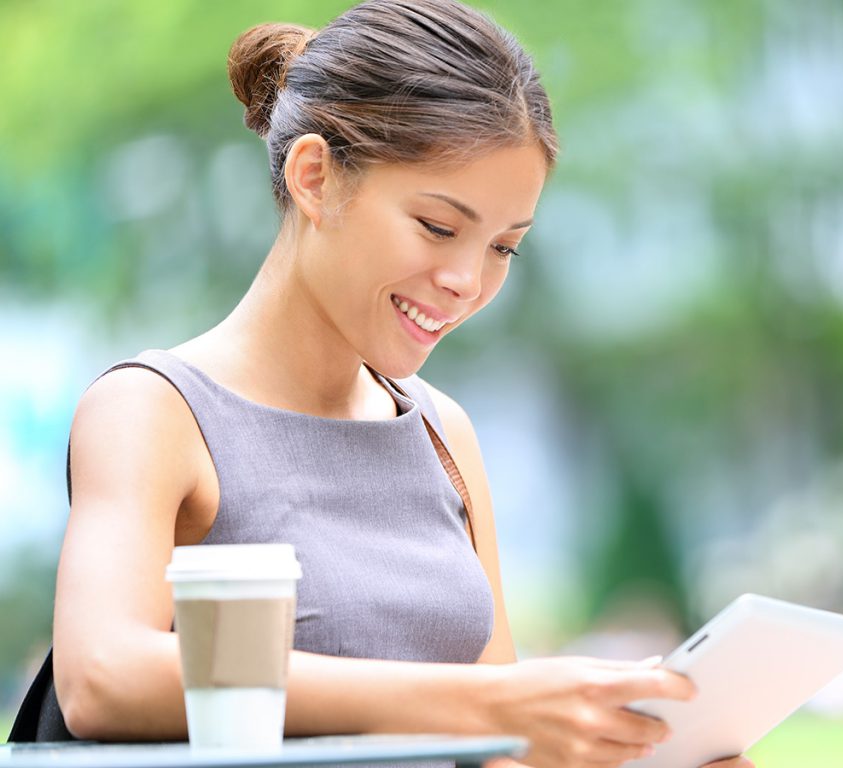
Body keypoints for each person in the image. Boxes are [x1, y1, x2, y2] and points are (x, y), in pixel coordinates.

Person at [33, 2, 752, 766]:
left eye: (505, 247)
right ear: (314, 178)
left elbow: (499, 749)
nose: (466, 282)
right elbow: (102, 677)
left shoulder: (444, 432)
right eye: (439, 227)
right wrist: (483, 703)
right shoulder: (156, 411)